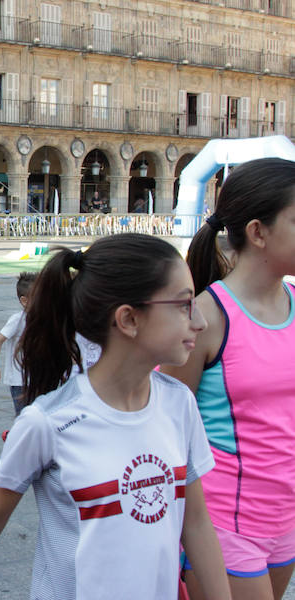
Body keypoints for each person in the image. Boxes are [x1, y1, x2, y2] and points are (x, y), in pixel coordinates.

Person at [0, 233, 231, 600]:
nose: (201, 322)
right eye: (183, 305)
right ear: (128, 319)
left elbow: (197, 524)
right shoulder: (47, 423)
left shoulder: (179, 404)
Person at [162, 158, 295, 600]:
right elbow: (167, 428)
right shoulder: (206, 317)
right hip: (224, 521)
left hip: (286, 518)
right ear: (258, 232)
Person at [0, 272, 37, 415]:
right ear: (24, 301)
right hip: (19, 380)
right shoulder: (18, 320)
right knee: (24, 417)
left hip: (38, 379)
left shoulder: (45, 319)